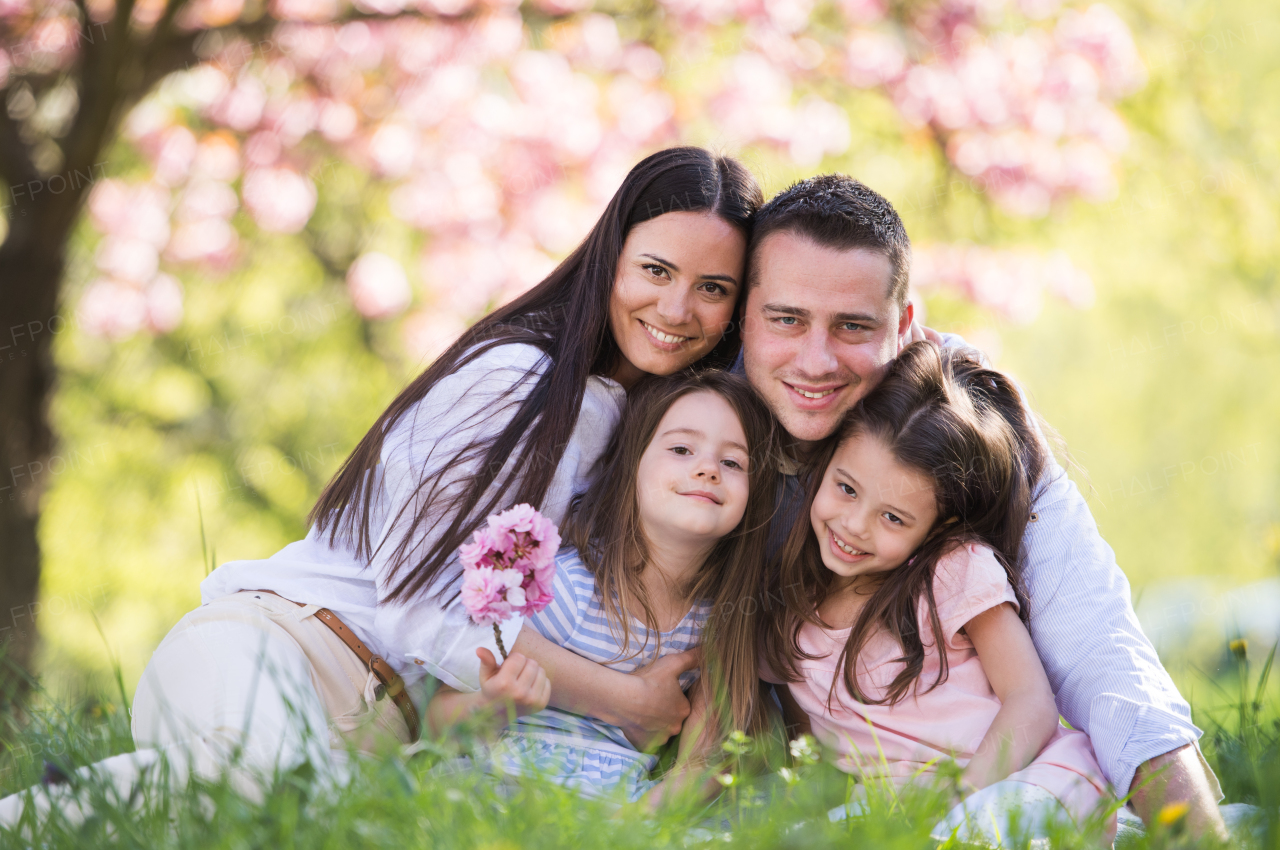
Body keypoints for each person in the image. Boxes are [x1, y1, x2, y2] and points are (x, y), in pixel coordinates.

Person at [0, 146, 763, 829]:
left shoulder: (663, 432)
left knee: (294, 822)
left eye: (712, 288)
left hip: (394, 729)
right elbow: (420, 604)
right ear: (611, 258)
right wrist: (623, 698)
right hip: (286, 650)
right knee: (266, 795)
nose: (676, 309)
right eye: (656, 271)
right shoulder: (514, 380)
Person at [736, 174, 1227, 839]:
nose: (816, 360)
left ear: (906, 327)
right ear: (744, 316)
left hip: (1002, 780)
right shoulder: (695, 416)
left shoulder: (966, 420)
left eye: (853, 326)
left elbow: (1097, 646)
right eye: (787, 318)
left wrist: (1195, 833)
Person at [761, 341, 1115, 844]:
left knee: (969, 834)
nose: (854, 525)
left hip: (1023, 778)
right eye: (846, 488)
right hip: (904, 807)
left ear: (937, 525)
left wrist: (959, 797)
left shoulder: (953, 571)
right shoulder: (789, 609)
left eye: (893, 517)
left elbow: (1030, 701)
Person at [426, 371, 778, 801]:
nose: (707, 469)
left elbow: (704, 761)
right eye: (681, 449)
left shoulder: (718, 622)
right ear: (633, 467)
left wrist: (641, 821)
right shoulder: (567, 589)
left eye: (732, 462)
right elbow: (435, 720)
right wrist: (492, 705)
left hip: (617, 811)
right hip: (504, 789)